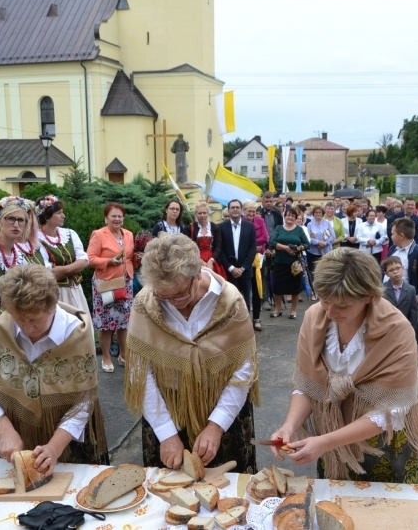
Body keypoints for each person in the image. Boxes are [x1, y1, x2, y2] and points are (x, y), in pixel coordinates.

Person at [270, 248, 418, 482]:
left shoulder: (396, 330)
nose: (331, 312)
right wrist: (289, 426)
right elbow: (309, 384)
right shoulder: (315, 318)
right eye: (325, 300)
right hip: (332, 429)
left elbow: (393, 410)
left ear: (369, 296)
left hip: (386, 440)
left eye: (343, 305)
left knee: (386, 507)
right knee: (335, 507)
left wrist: (325, 442)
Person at [125, 234, 259, 473]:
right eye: (163, 296)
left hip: (224, 414)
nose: (173, 303)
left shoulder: (230, 302)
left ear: (198, 273)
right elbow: (140, 373)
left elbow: (243, 369)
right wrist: (166, 433)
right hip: (167, 414)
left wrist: (217, 425)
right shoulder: (145, 304)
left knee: (229, 496)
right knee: (166, 497)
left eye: (180, 295)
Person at [0, 265, 109, 473]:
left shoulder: (76, 333)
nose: (27, 328)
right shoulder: (1, 328)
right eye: (20, 320)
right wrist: (4, 429)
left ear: (52, 307)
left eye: (35, 320)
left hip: (72, 441)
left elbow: (85, 398)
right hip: (19, 438)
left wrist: (54, 447)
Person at [87, 203, 135, 372]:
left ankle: (124, 354)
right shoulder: (99, 235)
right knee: (107, 323)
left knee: (124, 322)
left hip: (126, 282)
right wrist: (108, 261)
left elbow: (129, 256)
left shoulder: (128, 234)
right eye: (113, 216)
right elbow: (90, 259)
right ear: (106, 218)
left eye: (120, 216)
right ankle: (106, 358)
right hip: (106, 284)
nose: (117, 219)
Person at [35, 195, 90, 314]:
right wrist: (75, 267)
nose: (63, 216)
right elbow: (49, 272)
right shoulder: (36, 240)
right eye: (59, 212)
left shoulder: (69, 233)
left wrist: (64, 269)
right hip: (55, 293)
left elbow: (84, 260)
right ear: (47, 216)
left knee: (80, 325)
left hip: (76, 290)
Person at [268, 208, 310, 319]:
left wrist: (299, 247)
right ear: (284, 216)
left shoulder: (299, 230)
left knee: (295, 288)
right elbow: (271, 242)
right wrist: (286, 248)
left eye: (292, 216)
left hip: (294, 264)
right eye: (288, 215)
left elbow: (307, 244)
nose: (290, 217)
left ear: (296, 218)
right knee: (277, 287)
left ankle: (293, 310)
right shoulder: (278, 228)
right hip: (279, 262)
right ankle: (278, 308)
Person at [218, 199, 257, 312]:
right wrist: (231, 268)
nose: (235, 209)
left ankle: (245, 326)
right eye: (232, 207)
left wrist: (243, 268)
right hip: (228, 271)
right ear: (228, 210)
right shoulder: (221, 227)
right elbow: (220, 250)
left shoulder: (250, 227)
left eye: (237, 207)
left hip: (245, 271)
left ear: (241, 210)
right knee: (228, 301)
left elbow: (252, 249)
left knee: (246, 301)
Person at [0, 196, 43, 274]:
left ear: (26, 224)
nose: (16, 224)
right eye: (11, 219)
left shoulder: (20, 256)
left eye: (20, 220)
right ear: (0, 221)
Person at [387, 217, 418, 300]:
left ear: (401, 236)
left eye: (392, 234)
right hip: (388, 296)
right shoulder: (393, 249)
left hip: (406, 300)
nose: (391, 236)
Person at [244, 201, 268, 331]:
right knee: (245, 291)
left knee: (257, 288)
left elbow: (266, 237)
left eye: (253, 211)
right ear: (244, 210)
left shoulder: (260, 221)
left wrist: (251, 244)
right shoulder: (240, 222)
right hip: (244, 260)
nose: (251, 214)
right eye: (249, 211)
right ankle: (245, 320)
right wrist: (253, 246)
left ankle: (257, 318)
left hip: (258, 259)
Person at [189, 201, 225, 279]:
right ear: (196, 214)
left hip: (212, 259)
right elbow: (188, 247)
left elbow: (218, 246)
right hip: (196, 259)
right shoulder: (190, 228)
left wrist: (211, 260)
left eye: (204, 213)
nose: (202, 215)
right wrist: (200, 261)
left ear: (208, 213)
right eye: (200, 213)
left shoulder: (215, 227)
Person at [260, 192, 283, 309]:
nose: (268, 203)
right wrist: (265, 248)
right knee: (263, 274)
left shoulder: (277, 213)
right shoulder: (258, 213)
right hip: (260, 248)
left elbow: (279, 231)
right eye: (266, 201)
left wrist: (273, 247)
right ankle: (264, 299)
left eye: (270, 201)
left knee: (272, 275)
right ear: (262, 201)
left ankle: (273, 298)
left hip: (274, 248)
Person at [382, 256, 418, 331]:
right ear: (386, 274)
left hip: (404, 329)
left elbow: (413, 315)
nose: (395, 272)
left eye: (398, 268)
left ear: (403, 268)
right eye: (391, 270)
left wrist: (415, 336)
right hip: (387, 329)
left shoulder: (411, 290)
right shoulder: (382, 289)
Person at [305, 205, 334, 280]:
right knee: (314, 271)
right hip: (313, 252)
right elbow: (308, 237)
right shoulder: (309, 224)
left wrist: (325, 243)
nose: (318, 214)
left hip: (326, 251)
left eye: (319, 212)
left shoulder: (327, 223)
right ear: (313, 214)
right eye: (316, 212)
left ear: (322, 213)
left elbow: (333, 236)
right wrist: (318, 242)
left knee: (325, 271)